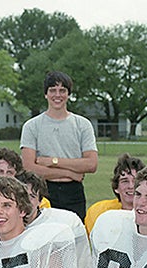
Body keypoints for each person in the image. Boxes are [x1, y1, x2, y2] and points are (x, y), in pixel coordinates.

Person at [20, 70, 98, 220]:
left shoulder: (82, 124)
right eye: (52, 90)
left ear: (68, 94)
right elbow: (29, 167)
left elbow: (91, 164)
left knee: (73, 236)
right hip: (42, 191)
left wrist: (52, 162)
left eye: (62, 90)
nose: (57, 95)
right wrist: (69, 173)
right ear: (45, 94)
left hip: (74, 193)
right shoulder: (32, 126)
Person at [85, 153, 146, 234]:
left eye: (135, 181)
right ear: (116, 187)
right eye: (125, 181)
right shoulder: (99, 212)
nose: (131, 186)